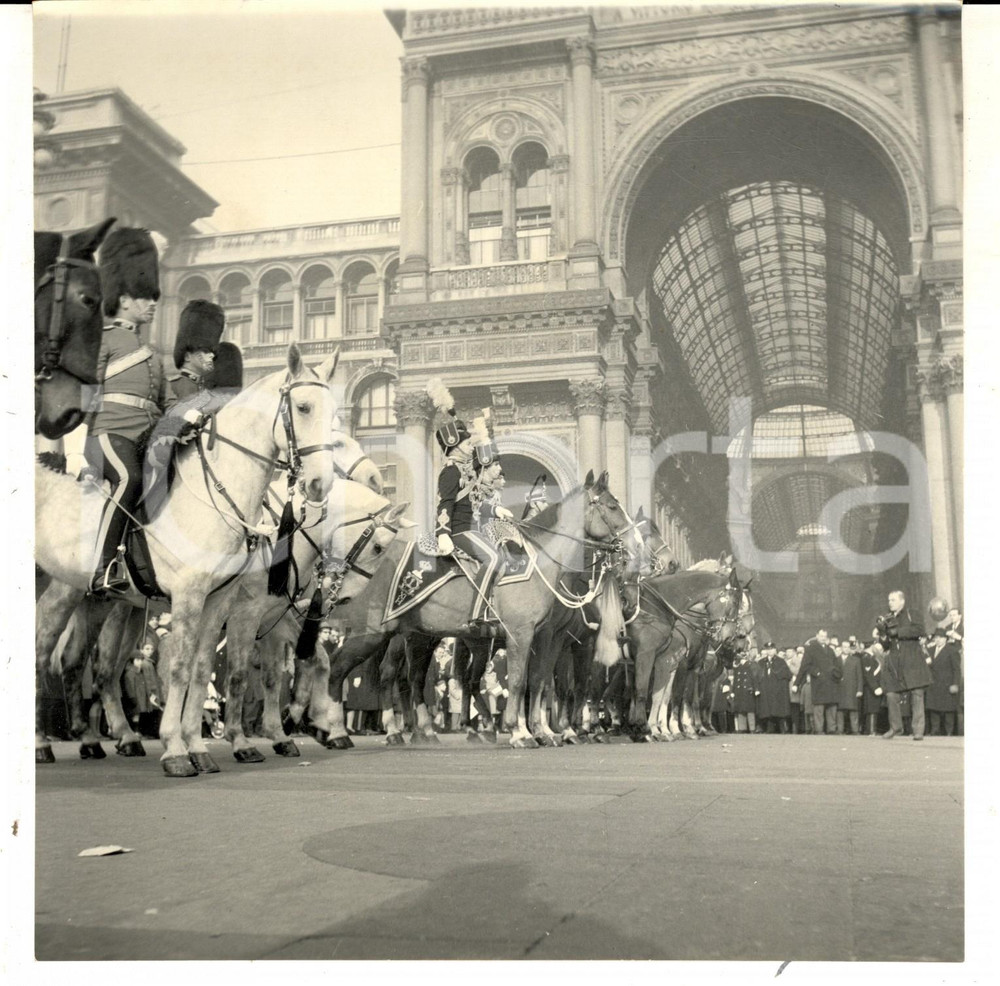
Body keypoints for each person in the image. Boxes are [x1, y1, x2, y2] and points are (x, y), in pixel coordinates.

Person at [62, 228, 164, 595]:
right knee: (128, 479)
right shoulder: (103, 340)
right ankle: (102, 566)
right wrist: (76, 452)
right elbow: (85, 395)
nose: (152, 304)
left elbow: (164, 403)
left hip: (142, 440)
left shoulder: (152, 353)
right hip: (107, 435)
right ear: (124, 298)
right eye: (145, 296)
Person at [428, 381, 509, 629]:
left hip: (472, 529)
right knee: (493, 558)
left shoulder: (466, 471)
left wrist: (495, 510)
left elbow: (474, 504)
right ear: (454, 447)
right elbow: (445, 504)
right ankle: (477, 613)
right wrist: (443, 533)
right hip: (460, 531)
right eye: (466, 444)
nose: (470, 446)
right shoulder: (451, 472)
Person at [876, 590, 930, 740]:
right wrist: (883, 634)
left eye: (893, 600)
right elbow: (886, 645)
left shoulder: (912, 613)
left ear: (902, 601)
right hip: (895, 662)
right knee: (891, 694)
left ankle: (918, 730)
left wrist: (897, 631)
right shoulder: (887, 618)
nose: (890, 603)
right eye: (889, 600)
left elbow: (920, 630)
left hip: (912, 659)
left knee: (917, 694)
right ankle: (896, 727)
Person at [164, 300, 223, 406]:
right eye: (205, 351)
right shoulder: (173, 387)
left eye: (212, 351)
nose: (212, 355)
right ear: (187, 356)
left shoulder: (207, 391)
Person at [792, 629, 842, 735]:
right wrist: (815, 673)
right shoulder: (811, 649)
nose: (823, 638)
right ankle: (819, 729)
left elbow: (836, 665)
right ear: (817, 636)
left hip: (831, 682)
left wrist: (835, 674)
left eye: (825, 636)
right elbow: (804, 666)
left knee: (831, 706)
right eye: (821, 636)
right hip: (819, 682)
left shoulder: (830, 650)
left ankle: (831, 729)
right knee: (818, 707)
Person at [926, 611, 962, 736]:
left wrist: (955, 684)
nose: (938, 640)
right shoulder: (930, 650)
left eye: (940, 638)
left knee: (948, 710)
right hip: (933, 684)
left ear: (945, 639)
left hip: (947, 684)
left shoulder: (952, 650)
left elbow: (956, 669)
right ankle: (934, 731)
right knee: (933, 709)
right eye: (936, 638)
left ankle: (949, 732)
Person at [122, 644, 164, 738]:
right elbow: (130, 686)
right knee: (136, 715)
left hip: (142, 697)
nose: (140, 662)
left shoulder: (139, 671)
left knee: (141, 714)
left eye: (141, 660)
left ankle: (141, 731)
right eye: (137, 660)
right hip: (137, 698)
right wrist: (132, 696)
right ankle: (136, 731)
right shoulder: (131, 673)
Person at [756, 642, 792, 733]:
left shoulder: (781, 661)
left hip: (777, 690)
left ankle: (783, 728)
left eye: (771, 649)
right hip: (766, 690)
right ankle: (769, 728)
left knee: (779, 710)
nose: (770, 651)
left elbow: (787, 675)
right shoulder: (761, 662)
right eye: (768, 649)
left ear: (775, 650)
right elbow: (757, 676)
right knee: (767, 711)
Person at [730, 647, 762, 734]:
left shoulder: (751, 665)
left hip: (748, 690)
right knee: (740, 710)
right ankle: (742, 728)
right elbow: (736, 680)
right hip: (739, 691)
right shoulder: (738, 667)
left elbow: (754, 677)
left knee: (750, 710)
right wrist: (733, 691)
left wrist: (756, 689)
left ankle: (752, 728)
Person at [859, 640, 885, 736]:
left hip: (878, 686)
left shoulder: (875, 658)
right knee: (872, 709)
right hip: (871, 688)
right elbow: (868, 675)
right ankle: (871, 730)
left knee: (875, 709)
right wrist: (875, 687)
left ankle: (871, 729)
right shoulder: (867, 658)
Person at [837, 640, 863, 735]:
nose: (846, 649)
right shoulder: (836, 660)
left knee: (853, 710)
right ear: (841, 648)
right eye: (844, 647)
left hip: (852, 689)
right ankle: (840, 730)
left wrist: (859, 689)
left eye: (848, 647)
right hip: (839, 689)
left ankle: (855, 730)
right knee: (839, 711)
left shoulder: (856, 660)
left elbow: (859, 676)